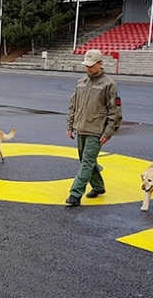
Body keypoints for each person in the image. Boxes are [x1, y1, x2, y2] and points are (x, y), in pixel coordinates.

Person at [65, 49, 122, 206]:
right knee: (85, 160)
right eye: (86, 65)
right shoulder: (81, 82)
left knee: (87, 162)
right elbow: (73, 105)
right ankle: (98, 186)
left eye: (91, 65)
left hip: (96, 131)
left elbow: (115, 111)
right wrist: (70, 125)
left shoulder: (109, 84)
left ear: (100, 64)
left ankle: (75, 194)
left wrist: (109, 132)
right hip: (81, 128)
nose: (88, 68)